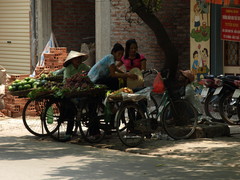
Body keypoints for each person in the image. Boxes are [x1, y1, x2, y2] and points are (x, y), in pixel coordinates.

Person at [61, 51, 90, 140]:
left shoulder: (84, 67)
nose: (78, 60)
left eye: (79, 58)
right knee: (71, 110)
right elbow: (66, 80)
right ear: (72, 60)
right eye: (76, 59)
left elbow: (90, 72)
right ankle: (68, 133)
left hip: (81, 91)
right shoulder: (68, 69)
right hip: (70, 92)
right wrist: (75, 80)